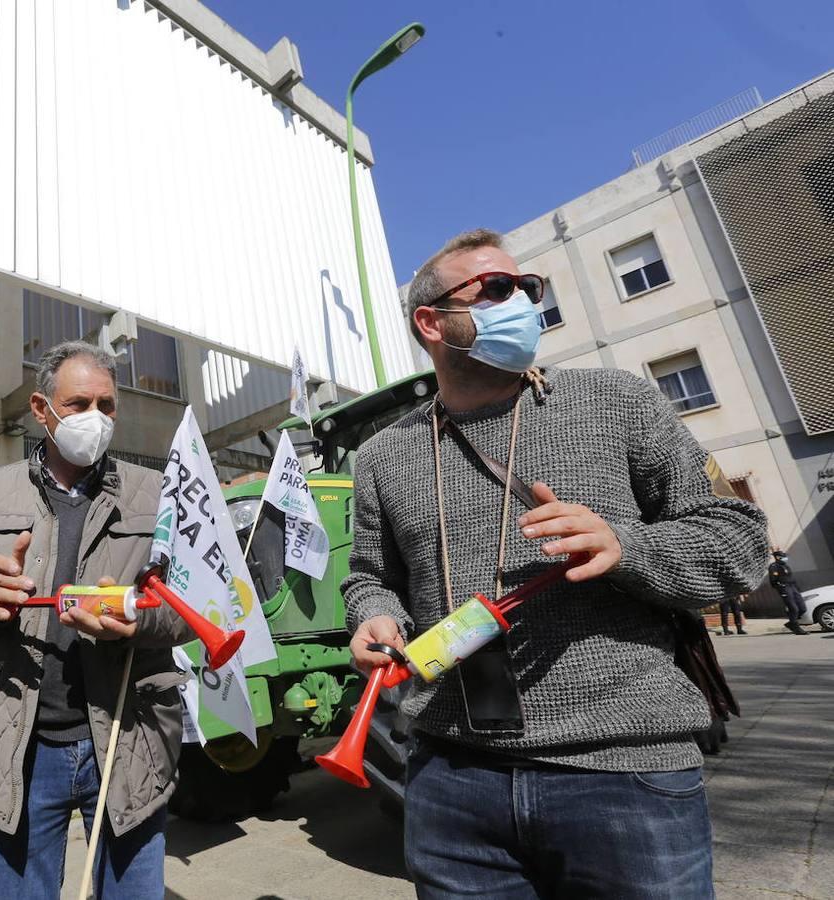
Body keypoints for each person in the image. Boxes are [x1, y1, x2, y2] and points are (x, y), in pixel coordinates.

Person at [344, 228, 769, 899]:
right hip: (449, 781)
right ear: (431, 322)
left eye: (527, 288)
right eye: (496, 290)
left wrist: (627, 546)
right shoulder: (380, 456)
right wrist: (373, 617)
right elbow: (373, 576)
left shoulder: (618, 401)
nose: (523, 302)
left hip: (625, 775)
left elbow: (738, 540)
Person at [0, 341, 191, 899]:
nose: (95, 419)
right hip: (19, 752)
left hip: (125, 738)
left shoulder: (156, 497)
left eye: (107, 406)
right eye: (78, 404)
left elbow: (194, 611)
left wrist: (136, 619)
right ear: (42, 410)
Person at [769, 548, 809, 634]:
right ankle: (796, 628)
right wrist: (781, 588)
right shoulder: (774, 567)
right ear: (778, 557)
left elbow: (791, 578)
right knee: (793, 609)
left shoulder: (786, 566)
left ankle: (791, 623)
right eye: (783, 557)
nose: (785, 558)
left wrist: (797, 588)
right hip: (785, 588)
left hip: (793, 587)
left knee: (802, 608)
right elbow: (773, 581)